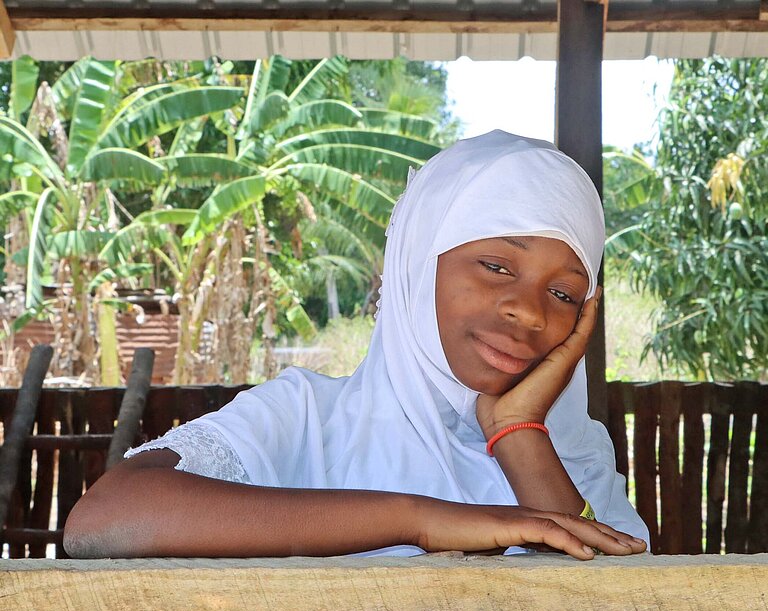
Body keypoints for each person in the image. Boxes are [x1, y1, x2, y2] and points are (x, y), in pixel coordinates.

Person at [63, 130, 649, 560]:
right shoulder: (308, 418)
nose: (529, 309)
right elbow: (105, 520)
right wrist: (417, 519)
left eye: (566, 294)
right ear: (418, 266)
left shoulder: (573, 454)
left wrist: (518, 434)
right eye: (496, 265)